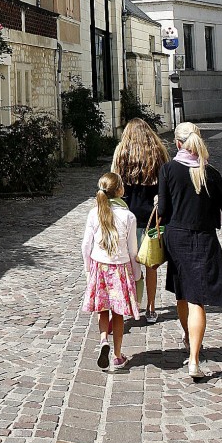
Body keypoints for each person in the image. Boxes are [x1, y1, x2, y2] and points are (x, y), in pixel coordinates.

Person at [158, 122, 222, 381]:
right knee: (196, 299)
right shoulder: (210, 173)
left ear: (178, 144)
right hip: (204, 238)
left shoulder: (168, 170)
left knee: (183, 292)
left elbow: (162, 211)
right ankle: (194, 358)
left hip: (176, 238)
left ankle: (188, 339)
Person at [81, 171, 141, 372]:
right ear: (119, 190)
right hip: (120, 269)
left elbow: (85, 245)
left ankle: (103, 339)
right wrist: (136, 273)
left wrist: (88, 269)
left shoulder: (94, 213)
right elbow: (133, 249)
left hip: (99, 266)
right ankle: (116, 355)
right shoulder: (128, 216)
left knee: (102, 308)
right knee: (118, 313)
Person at [111, 118, 169, 324]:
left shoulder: (121, 153)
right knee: (150, 263)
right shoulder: (158, 153)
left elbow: (113, 183)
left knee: (128, 263)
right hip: (151, 216)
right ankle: (151, 307)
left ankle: (132, 302)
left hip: (126, 215)